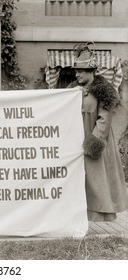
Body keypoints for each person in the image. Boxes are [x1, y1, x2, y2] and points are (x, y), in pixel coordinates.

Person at [68, 42, 128, 222]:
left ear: (91, 71)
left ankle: (100, 215)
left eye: (82, 71)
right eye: (76, 71)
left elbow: (104, 120)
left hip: (97, 142)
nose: (77, 74)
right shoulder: (73, 91)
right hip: (77, 141)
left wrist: (94, 141)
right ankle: (82, 214)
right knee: (81, 180)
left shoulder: (104, 93)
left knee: (98, 179)